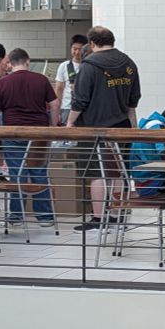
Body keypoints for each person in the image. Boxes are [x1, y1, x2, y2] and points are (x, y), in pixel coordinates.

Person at [66, 26, 142, 232]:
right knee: (117, 172)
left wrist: (70, 123)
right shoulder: (129, 63)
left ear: (92, 43)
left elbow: (80, 100)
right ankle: (116, 215)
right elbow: (133, 100)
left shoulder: (89, 66)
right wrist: (131, 124)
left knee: (97, 173)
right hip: (122, 128)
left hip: (94, 128)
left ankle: (98, 217)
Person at [0, 48, 58, 227]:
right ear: (28, 61)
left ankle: (16, 216)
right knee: (39, 172)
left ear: (10, 63)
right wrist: (53, 127)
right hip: (39, 134)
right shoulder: (41, 80)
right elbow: (54, 103)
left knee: (17, 174)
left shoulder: (3, 82)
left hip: (13, 133)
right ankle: (45, 216)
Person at [54, 34, 87, 126]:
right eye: (74, 49)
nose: (77, 52)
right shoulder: (64, 66)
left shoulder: (89, 66)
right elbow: (59, 89)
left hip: (85, 108)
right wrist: (57, 111)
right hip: (67, 107)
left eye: (79, 49)